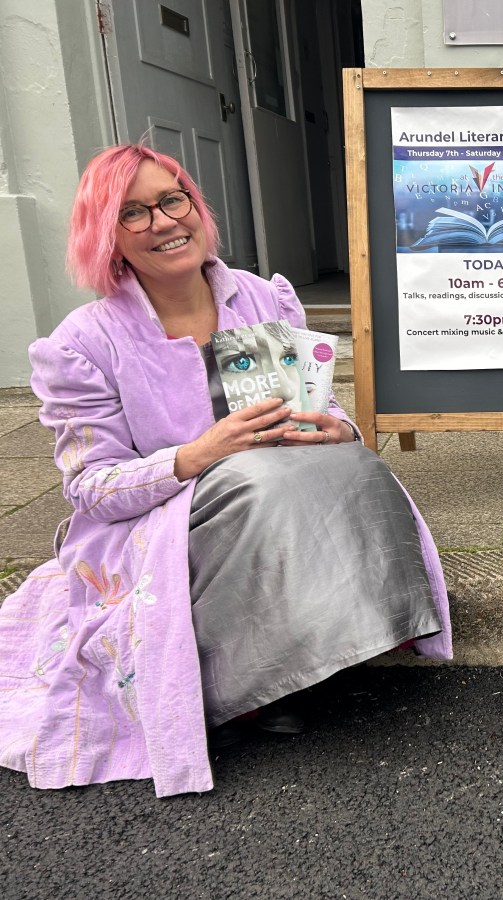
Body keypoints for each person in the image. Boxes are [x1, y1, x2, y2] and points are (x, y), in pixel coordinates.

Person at [0, 145, 452, 797]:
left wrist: (334, 427)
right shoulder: (83, 343)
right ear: (108, 237)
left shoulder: (261, 299)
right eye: (134, 213)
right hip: (152, 523)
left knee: (351, 462)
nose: (162, 221)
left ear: (195, 206)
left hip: (270, 494)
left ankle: (317, 648)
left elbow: (315, 402)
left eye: (171, 199)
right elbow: (91, 489)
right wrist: (196, 454)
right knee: (252, 480)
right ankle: (234, 689)